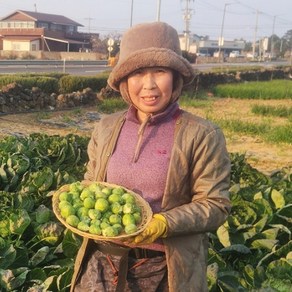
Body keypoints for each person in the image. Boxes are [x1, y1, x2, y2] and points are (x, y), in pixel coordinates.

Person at [70, 21, 231, 292]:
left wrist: (163, 223)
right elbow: (91, 184)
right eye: (138, 73)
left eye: (159, 71)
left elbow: (216, 205)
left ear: (175, 76)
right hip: (101, 264)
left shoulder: (201, 134)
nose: (149, 85)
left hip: (164, 271)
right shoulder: (107, 127)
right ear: (124, 81)